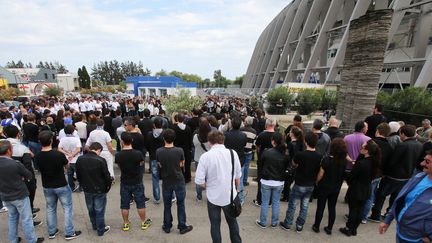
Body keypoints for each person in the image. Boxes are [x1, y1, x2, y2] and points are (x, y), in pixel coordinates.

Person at [195, 130, 242, 243]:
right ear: (223, 141)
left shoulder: (205, 157)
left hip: (213, 197)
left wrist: (209, 186)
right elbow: (237, 177)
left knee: (215, 225)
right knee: (233, 223)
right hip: (230, 195)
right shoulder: (233, 153)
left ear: (209, 142)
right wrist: (237, 190)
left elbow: (200, 181)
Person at [369, 125, 423, 222]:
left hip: (393, 175)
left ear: (403, 133)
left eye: (400, 133)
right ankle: (389, 214)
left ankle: (375, 215)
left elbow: (393, 161)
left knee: (381, 194)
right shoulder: (419, 145)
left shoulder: (402, 145)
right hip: (407, 176)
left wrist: (385, 172)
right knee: (395, 196)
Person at [35, 131, 81, 240]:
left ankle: (51, 231)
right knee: (67, 208)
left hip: (47, 185)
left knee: (50, 208)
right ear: (51, 141)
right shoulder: (58, 154)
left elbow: (39, 169)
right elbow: (67, 166)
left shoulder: (37, 156)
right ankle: (69, 232)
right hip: (61, 184)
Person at [378, 150, 432, 243]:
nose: (422, 163)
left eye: (427, 161)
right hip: (401, 232)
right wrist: (388, 220)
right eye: (424, 160)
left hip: (418, 239)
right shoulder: (418, 177)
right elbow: (400, 199)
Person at [0, 140, 45, 243]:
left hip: (5, 196)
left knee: (12, 218)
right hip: (19, 195)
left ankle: (13, 239)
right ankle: (31, 240)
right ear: (8, 150)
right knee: (26, 219)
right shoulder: (15, 164)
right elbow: (28, 175)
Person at [280, 131, 322, 232]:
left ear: (306, 142)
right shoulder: (319, 156)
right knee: (305, 206)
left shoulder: (300, 155)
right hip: (310, 184)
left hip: (299, 183)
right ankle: (299, 225)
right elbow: (319, 170)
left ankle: (288, 223)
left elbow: (293, 164)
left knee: (293, 205)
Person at [340, 140, 381, 236]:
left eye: (363, 148)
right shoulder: (374, 162)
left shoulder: (362, 163)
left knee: (353, 210)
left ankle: (348, 228)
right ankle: (354, 229)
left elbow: (351, 177)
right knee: (360, 210)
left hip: (356, 189)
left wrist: (346, 175)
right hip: (366, 189)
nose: (360, 149)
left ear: (367, 151)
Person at [157, 128, 193, 234]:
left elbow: (159, 165)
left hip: (166, 179)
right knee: (181, 204)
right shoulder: (179, 150)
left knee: (167, 205)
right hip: (178, 179)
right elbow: (182, 164)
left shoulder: (159, 151)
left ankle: (167, 225)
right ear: (174, 138)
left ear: (163, 138)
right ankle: (182, 226)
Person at [4, 125, 41, 225]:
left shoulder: (3, 144)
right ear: (18, 134)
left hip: (5, 182)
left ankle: (13, 237)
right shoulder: (22, 148)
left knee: (12, 214)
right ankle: (30, 223)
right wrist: (30, 178)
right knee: (26, 202)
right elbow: (27, 166)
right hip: (22, 180)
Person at [116, 132, 152, 231]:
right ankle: (143, 222)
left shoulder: (118, 155)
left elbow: (119, 166)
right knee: (140, 203)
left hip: (125, 181)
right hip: (137, 181)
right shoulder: (138, 154)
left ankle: (126, 223)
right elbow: (141, 163)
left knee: (124, 204)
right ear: (132, 140)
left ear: (122, 142)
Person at [76, 142, 112, 237]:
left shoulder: (80, 159)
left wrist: (82, 184)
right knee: (99, 210)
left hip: (87, 187)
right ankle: (101, 229)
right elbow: (106, 176)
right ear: (98, 150)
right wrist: (108, 186)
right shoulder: (101, 160)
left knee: (90, 208)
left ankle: (94, 225)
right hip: (100, 188)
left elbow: (78, 174)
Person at [312, 138, 348, 235]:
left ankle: (316, 226)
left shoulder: (327, 160)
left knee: (321, 207)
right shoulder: (344, 161)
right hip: (336, 187)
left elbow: (321, 174)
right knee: (332, 207)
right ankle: (329, 228)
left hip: (324, 186)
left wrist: (316, 181)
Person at [255, 132, 289, 229]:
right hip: (279, 182)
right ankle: (274, 222)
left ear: (273, 142)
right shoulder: (285, 154)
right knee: (276, 202)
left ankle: (263, 221)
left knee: (265, 202)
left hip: (266, 181)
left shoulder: (267, 152)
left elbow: (261, 165)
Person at [253, 118, 277, 207]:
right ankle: (270, 201)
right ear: (274, 125)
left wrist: (259, 154)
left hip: (262, 160)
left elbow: (257, 147)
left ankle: (259, 200)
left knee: (261, 179)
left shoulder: (261, 135)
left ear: (266, 125)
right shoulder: (277, 135)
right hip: (275, 161)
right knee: (272, 179)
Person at [224, 116, 247, 204]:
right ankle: (240, 198)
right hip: (240, 159)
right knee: (239, 179)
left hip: (229, 158)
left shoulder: (226, 135)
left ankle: (228, 196)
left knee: (228, 178)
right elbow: (244, 145)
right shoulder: (243, 135)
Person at [281, 126, 304, 202]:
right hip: (297, 164)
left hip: (290, 164)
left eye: (290, 132)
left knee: (287, 182)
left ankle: (286, 196)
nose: (289, 133)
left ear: (292, 134)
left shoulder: (290, 144)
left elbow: (287, 155)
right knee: (291, 180)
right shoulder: (300, 143)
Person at [58, 125, 82, 192]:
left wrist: (67, 154)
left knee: (69, 174)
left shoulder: (62, 139)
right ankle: (81, 187)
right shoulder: (76, 139)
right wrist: (72, 154)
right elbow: (78, 149)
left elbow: (59, 148)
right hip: (76, 159)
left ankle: (71, 187)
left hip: (67, 159)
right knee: (79, 173)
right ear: (73, 131)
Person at [192, 117, 211, 201]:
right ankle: (210, 195)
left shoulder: (196, 136)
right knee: (209, 177)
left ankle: (199, 196)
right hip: (209, 160)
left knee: (199, 178)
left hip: (198, 159)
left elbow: (194, 144)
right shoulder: (211, 138)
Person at [171, 113, 193, 183]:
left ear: (177, 119)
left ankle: (180, 177)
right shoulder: (188, 128)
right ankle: (188, 177)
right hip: (186, 149)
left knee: (178, 164)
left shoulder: (174, 128)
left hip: (177, 149)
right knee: (187, 164)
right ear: (184, 119)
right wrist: (190, 148)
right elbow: (190, 139)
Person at [239, 116, 257, 187]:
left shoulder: (241, 130)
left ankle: (240, 180)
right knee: (246, 166)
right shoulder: (254, 132)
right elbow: (254, 144)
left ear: (246, 122)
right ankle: (244, 181)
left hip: (241, 150)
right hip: (249, 151)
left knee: (241, 166)